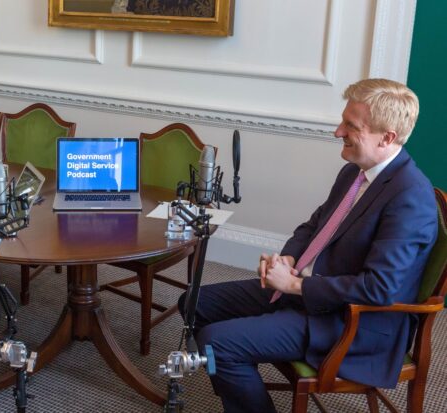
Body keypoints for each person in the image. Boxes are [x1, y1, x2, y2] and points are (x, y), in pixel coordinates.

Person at [179, 78, 438, 413]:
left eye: (350, 126)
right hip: (310, 291)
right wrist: (288, 258)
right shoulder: (355, 172)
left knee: (218, 343)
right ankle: (238, 386)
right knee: (193, 303)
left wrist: (298, 285)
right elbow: (315, 226)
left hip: (351, 322)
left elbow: (380, 288)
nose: (337, 132)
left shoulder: (410, 196)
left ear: (387, 137)